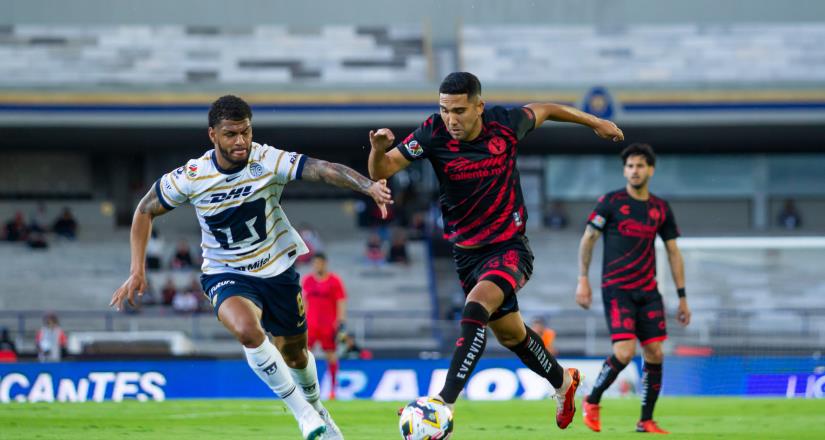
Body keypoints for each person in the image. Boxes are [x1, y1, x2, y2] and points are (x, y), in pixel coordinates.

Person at [110, 95, 392, 440]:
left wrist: (367, 186)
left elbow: (321, 169)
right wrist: (137, 270)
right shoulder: (192, 175)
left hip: (277, 271)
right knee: (247, 330)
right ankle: (303, 415)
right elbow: (144, 209)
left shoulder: (267, 159)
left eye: (245, 131)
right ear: (212, 134)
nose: (241, 141)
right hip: (225, 273)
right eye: (231, 134)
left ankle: (318, 410)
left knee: (295, 353)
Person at [368, 72, 624, 430]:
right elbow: (383, 168)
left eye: (459, 110)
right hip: (466, 253)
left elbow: (547, 109)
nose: (451, 119)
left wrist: (595, 122)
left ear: (479, 107)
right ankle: (563, 382)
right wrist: (378, 149)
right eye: (444, 110)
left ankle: (443, 402)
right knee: (511, 335)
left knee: (476, 307)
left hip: (509, 247)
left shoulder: (505, 124)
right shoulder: (431, 132)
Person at [575, 143, 692, 434]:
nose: (634, 171)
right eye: (629, 166)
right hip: (617, 289)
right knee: (625, 352)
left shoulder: (660, 208)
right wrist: (583, 279)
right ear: (624, 170)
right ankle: (592, 400)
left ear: (650, 170)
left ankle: (646, 420)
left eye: (640, 165)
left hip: (648, 291)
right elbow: (589, 238)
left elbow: (674, 251)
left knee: (655, 353)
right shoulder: (611, 202)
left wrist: (682, 297)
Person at [301, 253, 347, 400]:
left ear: (325, 263)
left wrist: (341, 321)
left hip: (328, 325)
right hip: (311, 325)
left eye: (320, 263)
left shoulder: (334, 281)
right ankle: (303, 387)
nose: (317, 266)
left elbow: (341, 301)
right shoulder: (307, 280)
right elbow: (304, 302)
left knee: (331, 356)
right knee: (304, 356)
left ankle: (333, 390)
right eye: (315, 263)